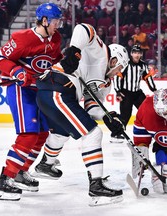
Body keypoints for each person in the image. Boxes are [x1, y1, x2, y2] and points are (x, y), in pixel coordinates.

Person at [33, 23, 129, 206]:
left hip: (54, 92)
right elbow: (83, 28)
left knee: (61, 132)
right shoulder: (100, 53)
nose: (117, 74)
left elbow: (91, 106)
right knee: (93, 134)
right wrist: (75, 49)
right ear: (115, 60)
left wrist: (108, 118)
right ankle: (96, 187)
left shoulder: (106, 82)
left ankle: (46, 164)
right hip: (57, 88)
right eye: (119, 69)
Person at [0, 3, 63, 201]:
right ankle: (5, 180)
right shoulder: (22, 38)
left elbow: (55, 58)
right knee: (28, 135)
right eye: (56, 20)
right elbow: (0, 59)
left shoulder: (55, 38)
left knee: (41, 134)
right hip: (20, 90)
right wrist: (16, 71)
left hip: (40, 91)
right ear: (44, 20)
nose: (58, 24)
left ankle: (21, 172)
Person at [112, 44, 156, 143]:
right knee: (125, 115)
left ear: (141, 54)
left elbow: (147, 77)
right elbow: (118, 77)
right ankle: (116, 134)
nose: (136, 55)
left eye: (138, 53)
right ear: (131, 54)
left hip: (137, 93)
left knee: (148, 111)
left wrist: (154, 89)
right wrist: (118, 91)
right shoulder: (126, 64)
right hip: (126, 93)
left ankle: (151, 131)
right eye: (135, 52)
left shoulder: (143, 65)